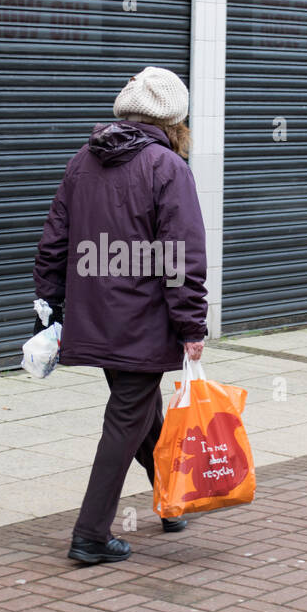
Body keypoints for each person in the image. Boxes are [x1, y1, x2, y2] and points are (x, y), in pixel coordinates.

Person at [34, 66, 209, 565]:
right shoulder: (166, 167)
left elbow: (53, 244)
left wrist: (49, 306)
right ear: (174, 119)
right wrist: (191, 325)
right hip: (143, 321)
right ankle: (90, 535)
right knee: (126, 417)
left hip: (97, 317)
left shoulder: (82, 161)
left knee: (141, 411)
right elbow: (181, 256)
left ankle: (172, 502)